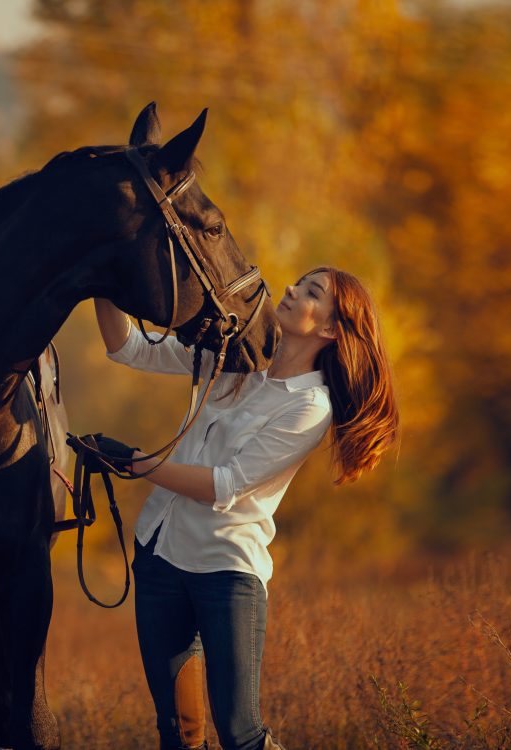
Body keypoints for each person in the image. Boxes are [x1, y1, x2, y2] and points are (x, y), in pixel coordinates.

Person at [91, 268, 399, 750]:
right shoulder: (234, 356)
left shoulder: (310, 406)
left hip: (225, 572)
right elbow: (129, 348)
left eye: (312, 292)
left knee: (241, 734)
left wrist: (134, 462)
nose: (291, 289)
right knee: (178, 733)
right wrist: (102, 279)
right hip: (158, 554)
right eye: (299, 281)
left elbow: (224, 484)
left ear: (330, 328)